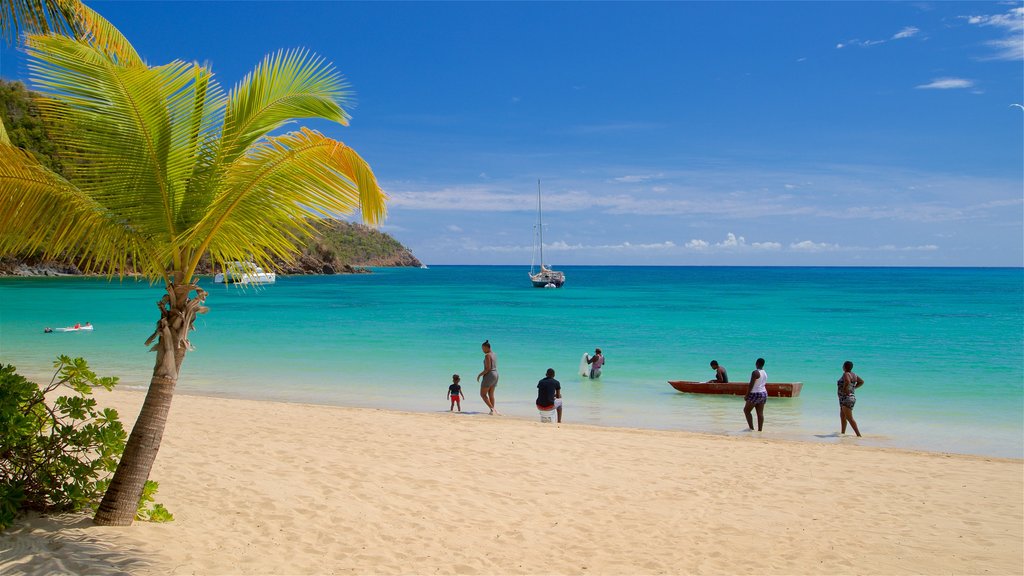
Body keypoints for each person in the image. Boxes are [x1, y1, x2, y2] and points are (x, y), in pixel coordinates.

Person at [838, 360, 865, 436]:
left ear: (844, 367)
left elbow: (847, 381)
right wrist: (853, 388)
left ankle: (859, 435)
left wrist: (844, 389)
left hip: (846, 398)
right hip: (846, 398)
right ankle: (842, 434)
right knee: (842, 417)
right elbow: (861, 382)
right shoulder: (854, 375)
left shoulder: (846, 374)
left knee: (849, 418)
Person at [743, 358, 767, 431]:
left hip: (755, 393)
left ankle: (751, 428)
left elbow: (751, 385)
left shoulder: (755, 372)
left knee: (746, 411)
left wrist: (747, 395)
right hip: (763, 393)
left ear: (757, 363)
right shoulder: (764, 372)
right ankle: (760, 430)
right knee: (760, 413)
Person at [476, 340, 499, 415]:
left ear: (487, 347)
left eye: (483, 348)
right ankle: (492, 410)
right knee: (491, 394)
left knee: (482, 394)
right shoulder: (494, 354)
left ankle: (492, 409)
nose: (482, 350)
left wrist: (480, 374)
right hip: (496, 374)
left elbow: (488, 368)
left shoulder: (487, 355)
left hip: (489, 375)